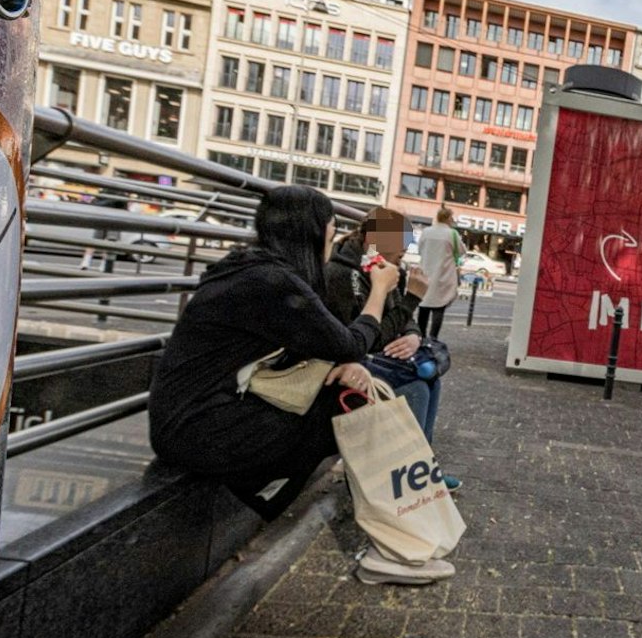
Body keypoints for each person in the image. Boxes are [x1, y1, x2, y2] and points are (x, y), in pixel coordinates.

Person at [149, 185, 451, 584]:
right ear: (311, 234)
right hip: (197, 427)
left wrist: (343, 363)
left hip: (199, 415)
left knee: (349, 395)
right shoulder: (273, 282)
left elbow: (323, 345)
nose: (332, 241)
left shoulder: (256, 271)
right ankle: (389, 548)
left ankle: (383, 540)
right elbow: (349, 342)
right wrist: (380, 293)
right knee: (352, 406)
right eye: (330, 232)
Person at [322, 207, 461, 491]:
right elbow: (364, 340)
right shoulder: (342, 275)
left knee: (429, 375)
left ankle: (420, 466)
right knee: (416, 385)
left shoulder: (383, 267)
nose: (405, 251)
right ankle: (406, 478)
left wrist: (412, 336)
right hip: (349, 365)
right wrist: (412, 299)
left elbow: (404, 320)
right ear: (375, 240)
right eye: (400, 243)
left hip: (376, 358)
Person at [415, 207, 464, 338]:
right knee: (439, 307)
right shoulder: (452, 234)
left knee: (423, 306)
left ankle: (421, 336)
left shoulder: (426, 231)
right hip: (443, 274)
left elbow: (420, 250)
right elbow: (461, 251)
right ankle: (433, 338)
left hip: (426, 272)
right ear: (448, 218)